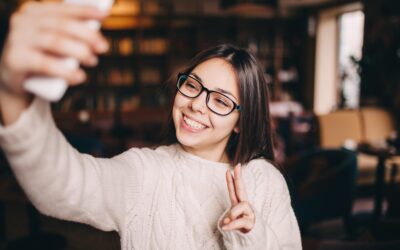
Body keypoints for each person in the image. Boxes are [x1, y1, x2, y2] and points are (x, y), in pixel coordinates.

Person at [0, 2, 301, 249]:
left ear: (241, 122)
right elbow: (62, 185)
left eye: (221, 101)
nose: (196, 104)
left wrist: (249, 236)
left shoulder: (265, 182)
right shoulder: (144, 171)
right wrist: (12, 94)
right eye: (192, 85)